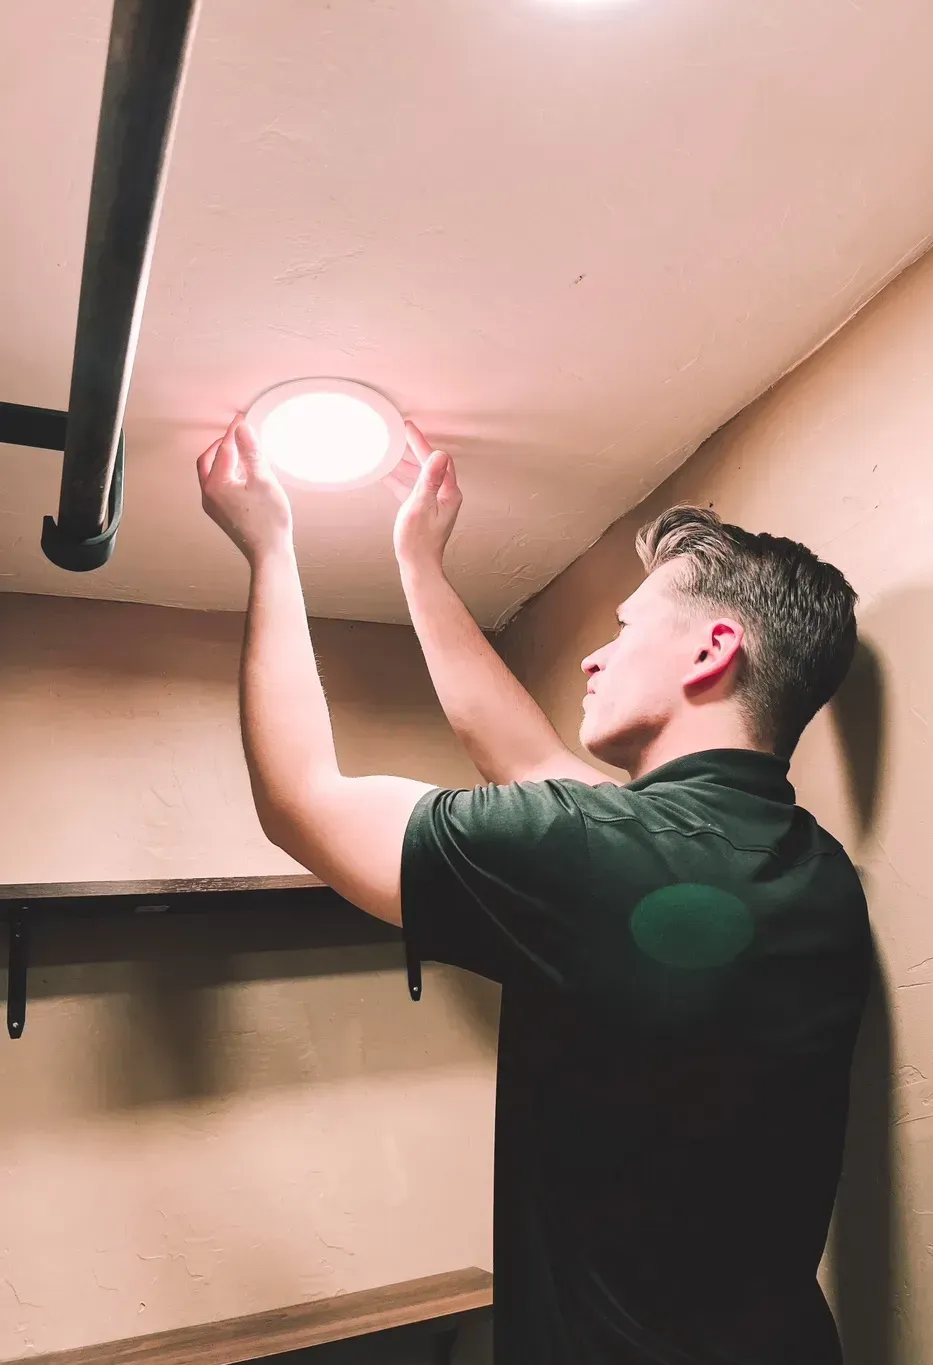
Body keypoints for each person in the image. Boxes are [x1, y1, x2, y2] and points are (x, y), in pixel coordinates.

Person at [197, 415, 871, 1365]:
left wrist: (269, 545)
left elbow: (303, 802)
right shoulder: (807, 866)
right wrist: (421, 567)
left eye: (625, 629)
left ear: (713, 650)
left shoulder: (595, 849)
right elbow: (527, 756)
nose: (594, 657)